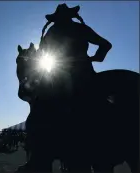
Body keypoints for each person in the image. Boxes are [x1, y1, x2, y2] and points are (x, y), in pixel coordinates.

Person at [16, 3, 112, 173]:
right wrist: (96, 57)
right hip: (78, 73)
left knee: (42, 106)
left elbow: (40, 57)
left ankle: (39, 154)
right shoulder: (77, 29)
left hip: (66, 75)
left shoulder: (53, 31)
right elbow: (105, 45)